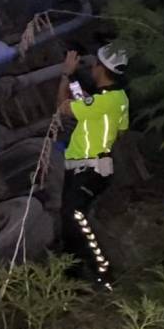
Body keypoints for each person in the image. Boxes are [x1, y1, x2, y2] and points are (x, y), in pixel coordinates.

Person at [56, 44, 129, 291]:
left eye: (95, 64)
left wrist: (66, 75)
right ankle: (73, 277)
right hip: (86, 167)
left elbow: (63, 107)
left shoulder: (104, 102)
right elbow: (85, 104)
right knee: (69, 221)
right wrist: (75, 79)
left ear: (101, 68)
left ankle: (104, 276)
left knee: (75, 218)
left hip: (88, 169)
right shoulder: (116, 99)